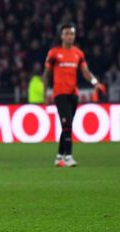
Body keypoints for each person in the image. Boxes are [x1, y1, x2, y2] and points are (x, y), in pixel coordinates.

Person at [42, 23, 102, 167]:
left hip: (73, 94)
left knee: (66, 126)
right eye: (67, 33)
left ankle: (58, 157)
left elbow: (85, 72)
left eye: (72, 34)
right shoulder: (54, 53)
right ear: (61, 36)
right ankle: (68, 157)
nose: (69, 36)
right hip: (60, 93)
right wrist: (45, 93)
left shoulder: (78, 53)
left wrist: (95, 82)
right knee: (67, 123)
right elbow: (47, 74)